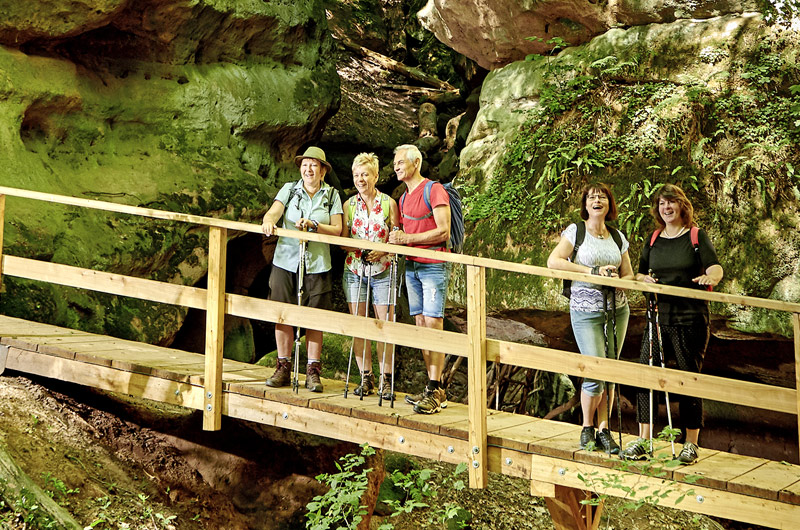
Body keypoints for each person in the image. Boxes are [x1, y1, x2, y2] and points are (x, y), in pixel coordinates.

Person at [620, 183, 723, 464]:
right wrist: (645, 280)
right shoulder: (653, 238)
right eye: (662, 203)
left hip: (690, 318)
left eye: (672, 202)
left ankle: (691, 443)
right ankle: (644, 439)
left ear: (681, 206)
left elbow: (714, 266)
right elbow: (639, 274)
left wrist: (711, 278)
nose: (667, 208)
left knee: (688, 377)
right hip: (657, 317)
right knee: (646, 376)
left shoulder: (695, 235)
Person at [547, 183, 633, 454]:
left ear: (609, 204)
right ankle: (586, 426)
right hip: (585, 310)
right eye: (592, 197)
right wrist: (592, 271)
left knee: (609, 372)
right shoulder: (576, 232)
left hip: (617, 309)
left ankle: (604, 429)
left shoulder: (618, 237)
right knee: (595, 370)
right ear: (585, 205)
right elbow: (554, 261)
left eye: (603, 196)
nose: (597, 200)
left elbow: (629, 273)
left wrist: (621, 281)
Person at [261, 146, 343, 392]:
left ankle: (312, 371)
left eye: (314, 165)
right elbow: (275, 210)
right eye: (305, 164)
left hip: (317, 263)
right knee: (282, 312)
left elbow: (338, 228)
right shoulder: (289, 189)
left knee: (315, 316)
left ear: (323, 171)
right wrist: (268, 221)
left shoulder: (331, 195)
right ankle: (283, 366)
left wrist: (314, 225)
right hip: (286, 260)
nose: (308, 169)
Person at [388, 144, 451, 414]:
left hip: (434, 265)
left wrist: (407, 239)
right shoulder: (403, 198)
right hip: (412, 267)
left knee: (434, 324)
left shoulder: (433, 190)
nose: (397, 167)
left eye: (401, 162)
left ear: (416, 163)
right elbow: (402, 234)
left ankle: (436, 388)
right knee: (421, 324)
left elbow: (443, 231)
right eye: (395, 164)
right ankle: (433, 388)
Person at [341, 153, 400, 399]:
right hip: (355, 269)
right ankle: (365, 377)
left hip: (383, 270)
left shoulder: (389, 204)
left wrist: (382, 249)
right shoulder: (348, 205)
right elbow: (342, 240)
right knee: (359, 325)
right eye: (356, 175)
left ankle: (386, 380)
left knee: (384, 326)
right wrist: (358, 248)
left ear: (376, 176)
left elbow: (396, 236)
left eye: (365, 174)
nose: (361, 179)